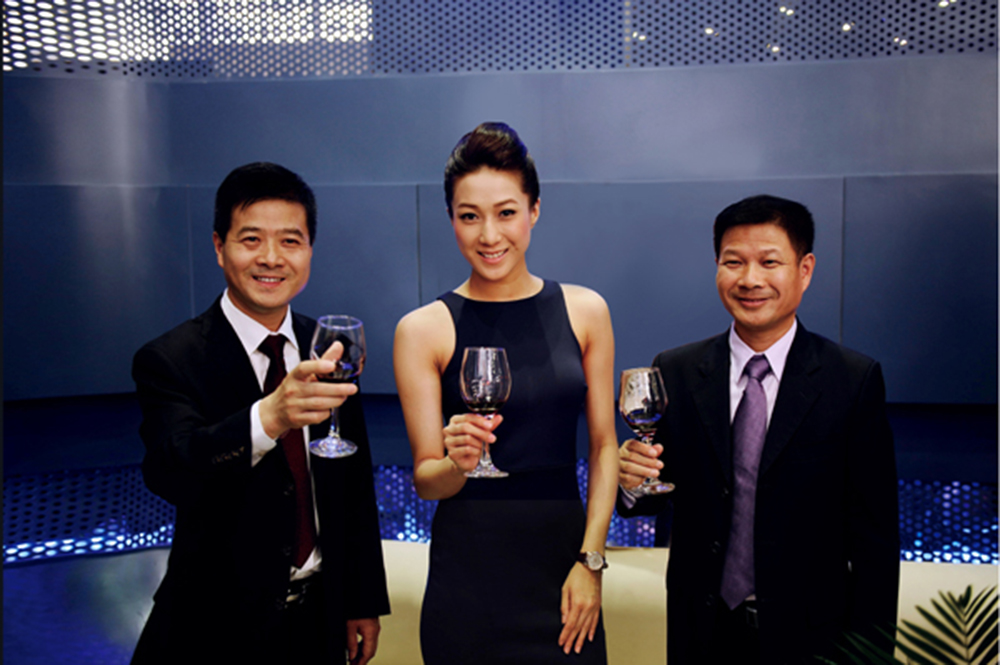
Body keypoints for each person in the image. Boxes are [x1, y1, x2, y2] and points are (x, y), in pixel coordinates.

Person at [618, 195, 899, 663]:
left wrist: (871, 655)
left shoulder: (852, 380)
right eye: (734, 262)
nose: (750, 279)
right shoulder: (677, 370)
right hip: (701, 633)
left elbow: (876, 543)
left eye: (769, 262)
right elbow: (651, 498)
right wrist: (631, 483)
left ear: (804, 270)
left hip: (811, 641)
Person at [131, 162, 389, 664]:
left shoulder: (327, 346)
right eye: (251, 240)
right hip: (210, 630)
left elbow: (353, 485)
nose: (272, 258)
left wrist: (361, 601)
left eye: (291, 241)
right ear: (218, 246)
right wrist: (268, 418)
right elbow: (171, 471)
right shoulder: (170, 359)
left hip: (317, 623)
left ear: (310, 250)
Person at [393, 122, 620, 664]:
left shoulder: (586, 311)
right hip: (467, 589)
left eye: (506, 212)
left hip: (565, 578)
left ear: (534, 210)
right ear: (451, 219)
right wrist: (458, 461)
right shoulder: (422, 330)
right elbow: (427, 480)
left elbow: (604, 446)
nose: (489, 235)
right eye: (470, 216)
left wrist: (591, 561)